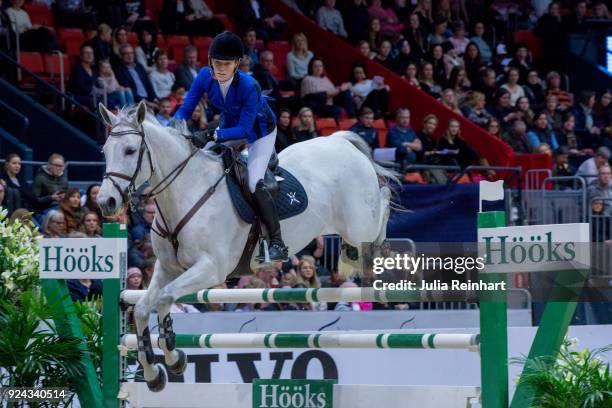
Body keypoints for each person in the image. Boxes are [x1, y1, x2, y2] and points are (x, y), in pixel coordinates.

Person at [174, 32, 288, 262]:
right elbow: (186, 109)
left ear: (237, 64)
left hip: (259, 133)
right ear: (209, 62)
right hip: (228, 126)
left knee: (254, 182)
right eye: (217, 63)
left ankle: (277, 243)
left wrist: (211, 134)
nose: (221, 69)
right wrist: (170, 128)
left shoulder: (249, 85)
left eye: (227, 64)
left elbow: (245, 130)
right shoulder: (204, 76)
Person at [114, 44, 159, 108]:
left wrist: (154, 98)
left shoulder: (139, 66)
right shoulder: (119, 70)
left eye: (131, 53)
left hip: (148, 99)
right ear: (121, 56)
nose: (130, 56)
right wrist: (146, 102)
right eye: (126, 54)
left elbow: (147, 83)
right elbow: (129, 89)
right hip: (135, 102)